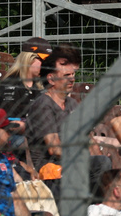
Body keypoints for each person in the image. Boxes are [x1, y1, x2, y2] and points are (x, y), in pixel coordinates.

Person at [24, 44, 82, 174]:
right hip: (50, 168)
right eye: (67, 75)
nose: (72, 79)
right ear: (51, 79)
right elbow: (54, 149)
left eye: (73, 74)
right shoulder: (43, 105)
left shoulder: (72, 104)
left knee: (104, 163)